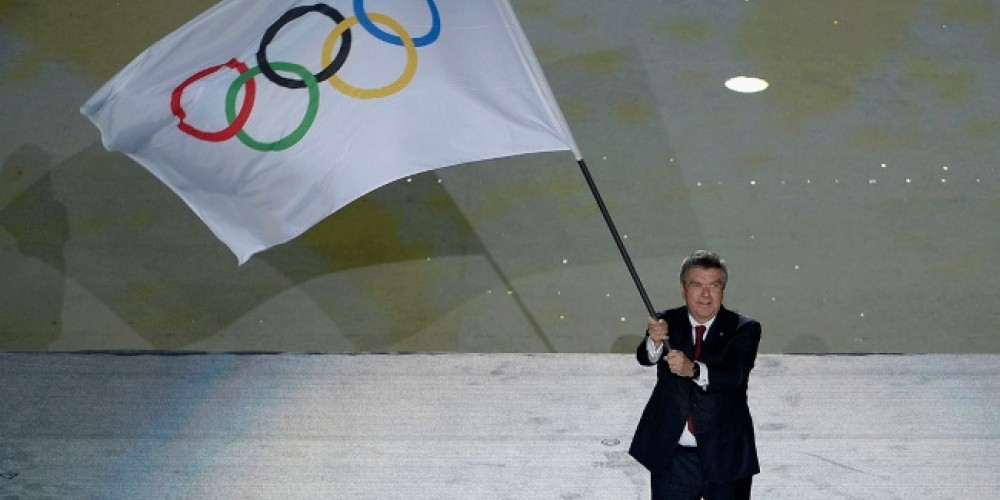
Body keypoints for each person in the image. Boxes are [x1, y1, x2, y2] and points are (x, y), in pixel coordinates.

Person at [629, 250, 761, 500]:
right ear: (683, 289)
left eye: (714, 285)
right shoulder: (666, 320)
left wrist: (694, 369)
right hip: (673, 459)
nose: (705, 295)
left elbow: (736, 376)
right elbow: (645, 358)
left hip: (725, 457)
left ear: (723, 290)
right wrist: (655, 341)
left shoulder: (744, 329)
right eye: (697, 285)